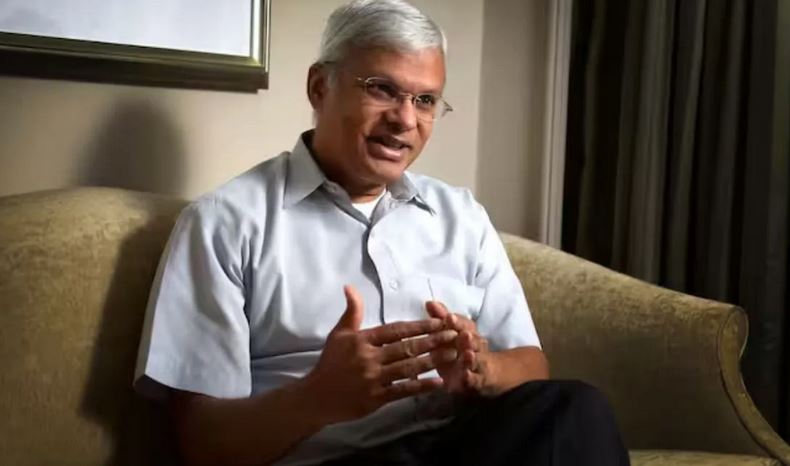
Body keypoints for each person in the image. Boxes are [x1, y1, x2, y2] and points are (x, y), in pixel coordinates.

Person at [134, 1, 629, 465]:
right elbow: (201, 442)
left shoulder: (459, 215)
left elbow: (531, 365)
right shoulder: (224, 223)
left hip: (459, 445)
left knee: (576, 407)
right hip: (331, 459)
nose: (405, 120)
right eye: (382, 89)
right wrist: (317, 397)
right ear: (319, 87)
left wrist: (484, 368)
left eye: (425, 100)